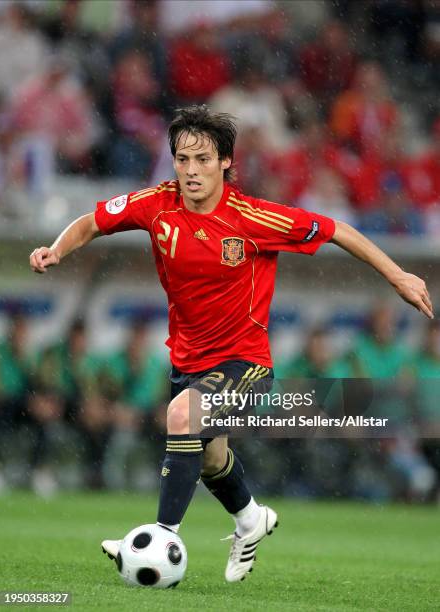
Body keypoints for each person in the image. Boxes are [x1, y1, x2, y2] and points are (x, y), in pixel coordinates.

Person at [29, 105, 433, 583]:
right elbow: (92, 222)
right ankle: (250, 519)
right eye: (182, 159)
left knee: (182, 415)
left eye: (202, 160)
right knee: (210, 455)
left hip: (247, 362)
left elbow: (336, 230)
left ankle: (159, 539)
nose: (191, 171)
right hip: (188, 360)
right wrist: (57, 249)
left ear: (225, 161)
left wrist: (397, 275)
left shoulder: (253, 217)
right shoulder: (157, 204)